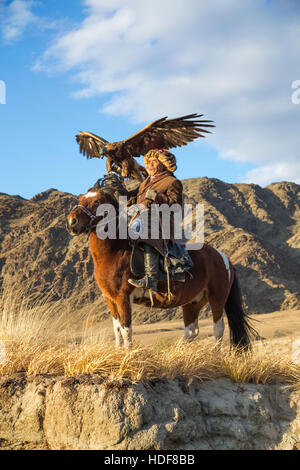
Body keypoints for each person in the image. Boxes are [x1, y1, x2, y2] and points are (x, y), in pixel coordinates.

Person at [127, 149, 183, 292]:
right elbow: (139, 198)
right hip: (142, 217)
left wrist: (159, 197)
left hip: (162, 221)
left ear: (163, 164)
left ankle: (151, 278)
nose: (150, 165)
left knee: (147, 232)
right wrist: (123, 197)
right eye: (148, 162)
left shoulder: (172, 182)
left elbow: (175, 204)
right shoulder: (145, 182)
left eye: (154, 161)